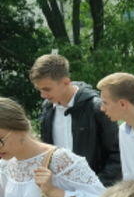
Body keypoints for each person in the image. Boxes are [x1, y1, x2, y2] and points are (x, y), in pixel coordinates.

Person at [30, 54, 122, 187]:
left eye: (47, 89)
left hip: (95, 192)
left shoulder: (97, 109)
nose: (43, 95)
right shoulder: (47, 110)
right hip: (58, 191)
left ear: (66, 82)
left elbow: (117, 154)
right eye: (39, 90)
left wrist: (97, 187)